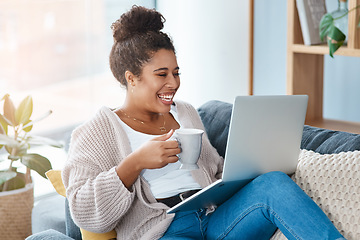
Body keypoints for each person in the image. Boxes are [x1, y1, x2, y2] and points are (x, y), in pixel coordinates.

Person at [28, 5, 345, 240]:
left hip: (215, 218)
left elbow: (215, 172)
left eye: (176, 72)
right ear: (132, 78)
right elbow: (85, 212)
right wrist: (134, 163)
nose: (173, 83)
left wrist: (246, 167)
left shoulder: (186, 113)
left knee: (274, 183)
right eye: (162, 75)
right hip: (164, 231)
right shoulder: (96, 133)